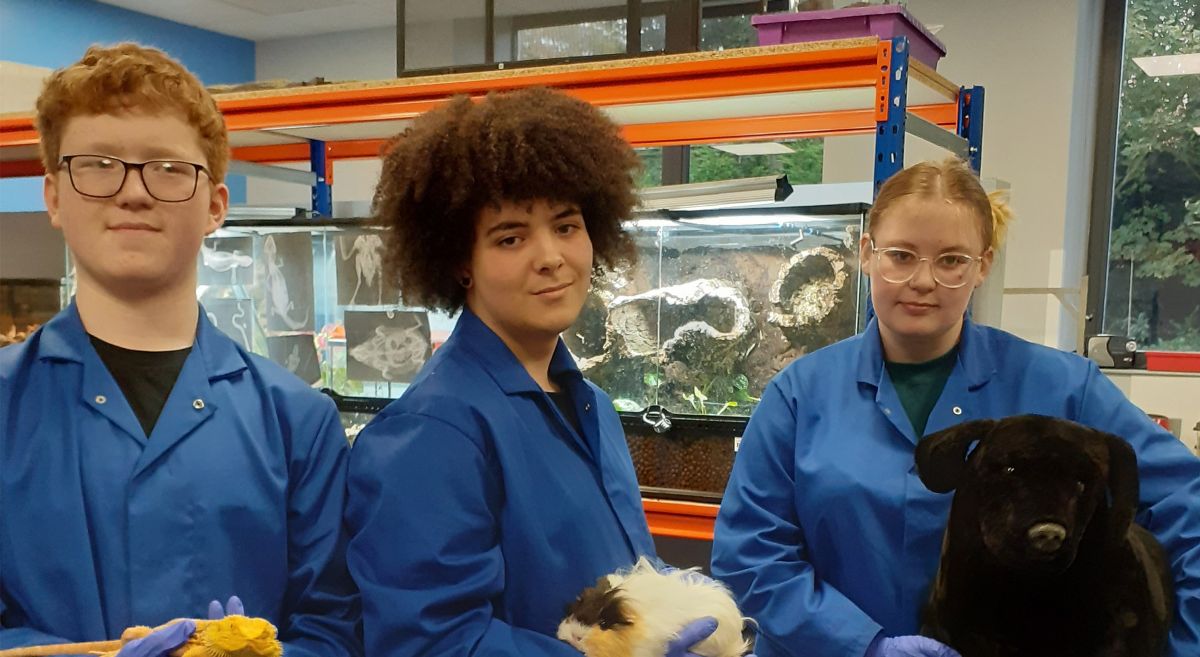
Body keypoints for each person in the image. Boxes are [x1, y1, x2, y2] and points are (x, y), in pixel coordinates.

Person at [711, 157, 1200, 657]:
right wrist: (866, 646)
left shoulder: (1065, 389)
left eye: (951, 260)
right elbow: (750, 556)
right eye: (901, 255)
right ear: (866, 253)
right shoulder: (798, 396)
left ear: (982, 265)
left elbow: (1189, 503)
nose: (923, 280)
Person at [346, 87, 736, 656]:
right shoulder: (432, 432)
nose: (550, 256)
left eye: (566, 226)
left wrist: (672, 608)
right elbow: (432, 644)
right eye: (510, 237)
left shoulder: (588, 405)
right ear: (460, 262)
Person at [0, 43, 361, 657]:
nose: (133, 192)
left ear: (216, 206)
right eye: (97, 164)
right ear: (54, 197)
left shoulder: (298, 422)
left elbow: (336, 626)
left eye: (167, 168)